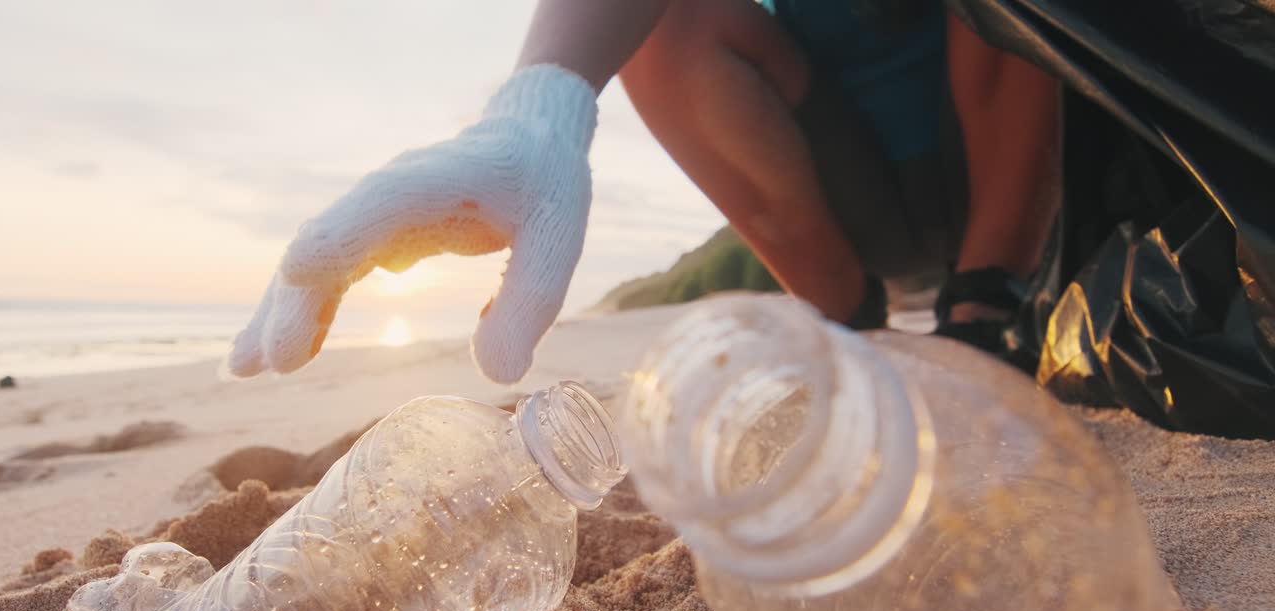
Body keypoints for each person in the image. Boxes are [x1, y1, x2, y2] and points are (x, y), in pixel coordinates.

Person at [226, 0, 1061, 385]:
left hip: (1025, 175)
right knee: (668, 26)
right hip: (856, 199)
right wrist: (537, 113)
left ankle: (987, 304)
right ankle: (840, 313)